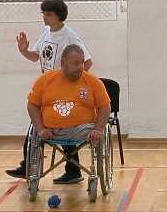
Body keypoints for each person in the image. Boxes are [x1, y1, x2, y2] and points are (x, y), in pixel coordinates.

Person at [7, 0, 93, 183]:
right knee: (39, 125)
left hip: (63, 90)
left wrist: (70, 81)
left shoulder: (69, 36)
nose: (44, 17)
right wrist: (24, 51)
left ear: (59, 16)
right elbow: (35, 57)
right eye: (43, 13)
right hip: (47, 88)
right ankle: (38, 166)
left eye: (48, 14)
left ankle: (63, 169)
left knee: (60, 125)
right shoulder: (46, 32)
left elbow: (87, 62)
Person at [26, 44, 110, 185]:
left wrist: (98, 129)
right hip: (51, 131)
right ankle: (34, 174)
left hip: (82, 130)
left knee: (96, 132)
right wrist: (40, 129)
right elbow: (32, 105)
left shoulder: (93, 82)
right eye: (76, 63)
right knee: (34, 132)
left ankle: (93, 173)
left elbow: (105, 106)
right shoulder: (45, 80)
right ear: (63, 63)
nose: (81, 67)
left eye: (82, 62)